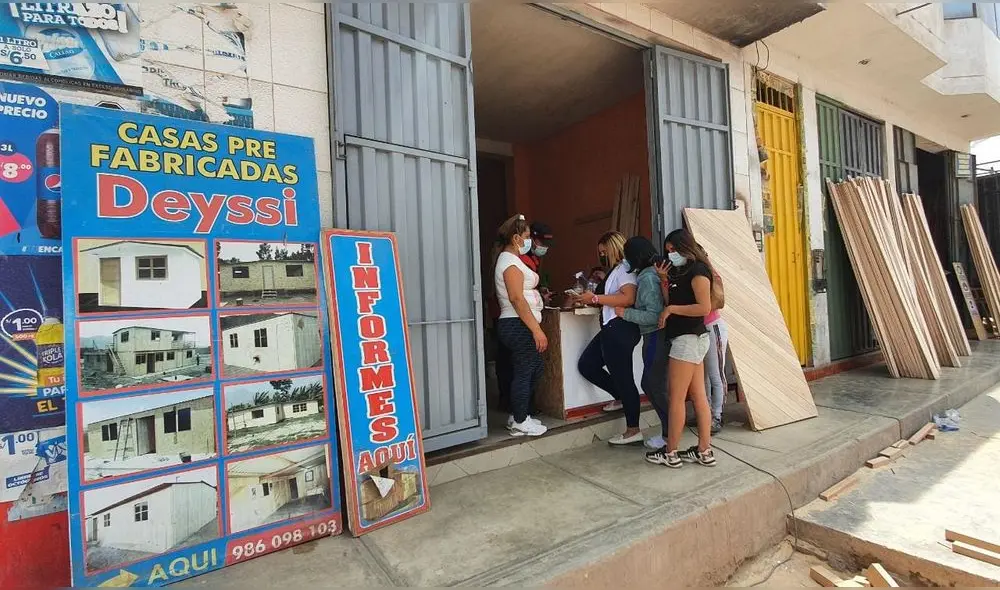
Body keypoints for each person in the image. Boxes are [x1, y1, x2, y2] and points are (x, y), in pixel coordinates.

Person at [646, 228, 717, 468]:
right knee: (697, 395)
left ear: (684, 246)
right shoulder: (679, 270)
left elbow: (704, 308)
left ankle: (671, 452)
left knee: (676, 398)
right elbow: (671, 301)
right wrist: (664, 280)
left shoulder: (698, 270)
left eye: (673, 250)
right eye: (668, 251)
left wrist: (672, 310)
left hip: (689, 339)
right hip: (688, 340)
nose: (671, 254)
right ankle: (704, 451)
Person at [576, 231, 642, 445]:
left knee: (624, 378)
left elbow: (628, 298)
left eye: (604, 251)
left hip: (620, 328)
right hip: (610, 328)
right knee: (587, 364)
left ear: (613, 248)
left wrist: (595, 297)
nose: (602, 256)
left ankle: (633, 429)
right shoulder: (614, 270)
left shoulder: (625, 269)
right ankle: (620, 396)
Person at [613, 237, 670, 449]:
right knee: (652, 384)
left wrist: (625, 312)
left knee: (653, 385)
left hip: (655, 335)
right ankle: (668, 432)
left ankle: (668, 435)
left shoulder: (647, 278)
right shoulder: (649, 274)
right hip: (653, 336)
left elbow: (654, 316)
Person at [494, 214, 548, 437]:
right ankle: (519, 420)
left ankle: (519, 414)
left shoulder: (513, 260)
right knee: (525, 371)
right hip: (517, 324)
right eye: (526, 236)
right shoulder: (509, 262)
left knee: (535, 368)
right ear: (516, 238)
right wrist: (536, 330)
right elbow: (516, 298)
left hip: (520, 323)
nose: (529, 241)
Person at [703, 258, 729, 435]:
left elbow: (718, 301)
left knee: (715, 374)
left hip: (713, 328)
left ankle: (717, 415)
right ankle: (705, 414)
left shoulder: (709, 274)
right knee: (701, 377)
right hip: (697, 330)